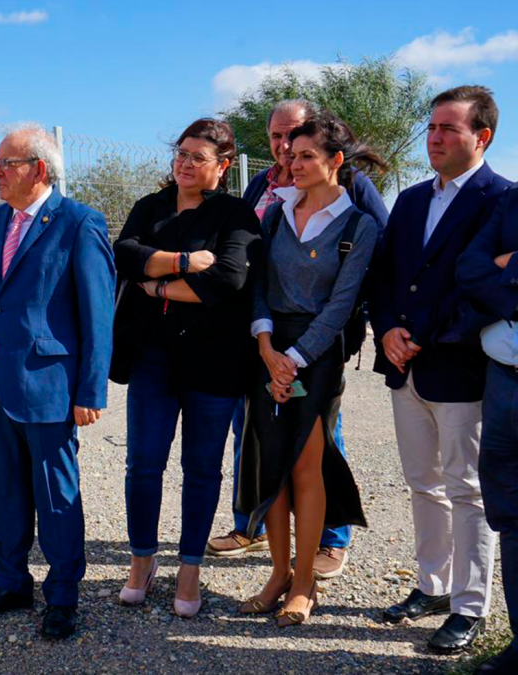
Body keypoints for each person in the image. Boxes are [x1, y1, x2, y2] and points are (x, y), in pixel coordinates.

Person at [208, 99, 390, 583]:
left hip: (317, 351)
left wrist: (292, 358)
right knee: (264, 454)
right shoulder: (270, 206)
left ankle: (315, 567)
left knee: (314, 458)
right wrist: (267, 347)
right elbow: (258, 280)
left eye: (304, 149)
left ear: (334, 160)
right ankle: (268, 558)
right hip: (266, 348)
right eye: (283, 144)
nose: (289, 154)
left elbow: (346, 296)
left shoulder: (358, 216)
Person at [0, 124, 115, 640]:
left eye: (5, 164)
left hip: (50, 385)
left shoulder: (79, 223)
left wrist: (91, 390)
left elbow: (97, 314)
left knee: (54, 494)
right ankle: (9, 582)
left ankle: (63, 596)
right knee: (0, 486)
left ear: (38, 170)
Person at [371, 85, 510, 654]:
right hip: (405, 369)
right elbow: (382, 277)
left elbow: (487, 291)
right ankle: (431, 585)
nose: (434, 137)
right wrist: (386, 332)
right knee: (422, 483)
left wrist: (423, 337)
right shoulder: (409, 201)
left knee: (467, 488)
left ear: (482, 136)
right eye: (431, 127)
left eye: (448, 128)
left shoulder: (502, 200)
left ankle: (469, 605)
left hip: (459, 369)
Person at [110, 119, 260, 617]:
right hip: (153, 357)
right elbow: (125, 256)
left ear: (222, 165)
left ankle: (190, 567)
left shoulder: (237, 214)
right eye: (181, 153)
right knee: (144, 463)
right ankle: (142, 561)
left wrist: (153, 285)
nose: (186, 163)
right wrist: (180, 261)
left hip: (215, 362)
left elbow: (227, 280)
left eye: (199, 157)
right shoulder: (149, 207)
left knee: (201, 468)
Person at [457, 186, 518, 674]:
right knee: (510, 511)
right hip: (504, 376)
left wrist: (510, 265)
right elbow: (470, 268)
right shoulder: (512, 201)